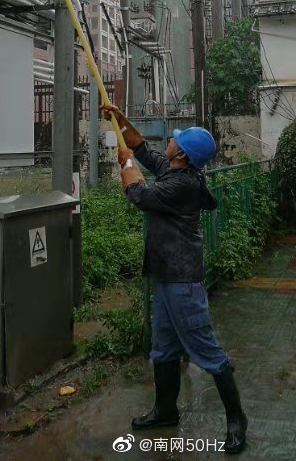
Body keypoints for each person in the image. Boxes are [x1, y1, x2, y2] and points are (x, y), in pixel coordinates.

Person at [101, 104, 248, 455]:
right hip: (165, 275)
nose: (169, 139)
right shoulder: (174, 168)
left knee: (206, 350)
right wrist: (120, 121)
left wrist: (125, 164)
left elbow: (139, 195)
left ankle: (237, 420)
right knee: (164, 348)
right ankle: (165, 410)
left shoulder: (183, 184)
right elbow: (142, 149)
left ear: (182, 154)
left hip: (182, 282)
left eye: (175, 140)